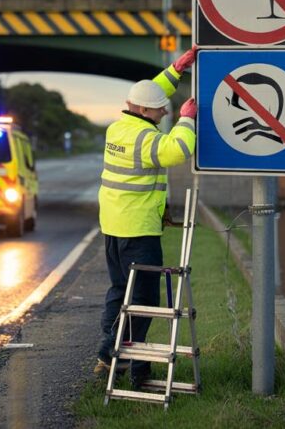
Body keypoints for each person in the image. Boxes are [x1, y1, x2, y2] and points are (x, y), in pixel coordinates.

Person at [95, 46, 199, 387]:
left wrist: (176, 70)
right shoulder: (146, 138)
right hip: (139, 232)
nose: (164, 111)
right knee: (144, 300)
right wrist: (187, 118)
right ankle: (115, 351)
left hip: (113, 228)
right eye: (159, 110)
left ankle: (122, 361)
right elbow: (178, 150)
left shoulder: (118, 129)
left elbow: (148, 92)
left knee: (119, 290)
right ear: (142, 111)